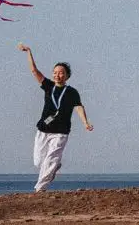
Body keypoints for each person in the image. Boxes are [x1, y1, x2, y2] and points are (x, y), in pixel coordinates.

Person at [18, 44, 91, 193]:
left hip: (60, 132)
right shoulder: (48, 86)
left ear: (67, 76)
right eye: (55, 72)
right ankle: (54, 167)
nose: (58, 75)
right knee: (39, 162)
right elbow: (34, 71)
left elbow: (78, 107)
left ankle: (40, 188)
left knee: (50, 158)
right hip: (43, 129)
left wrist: (85, 123)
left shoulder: (71, 92)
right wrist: (29, 52)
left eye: (61, 73)